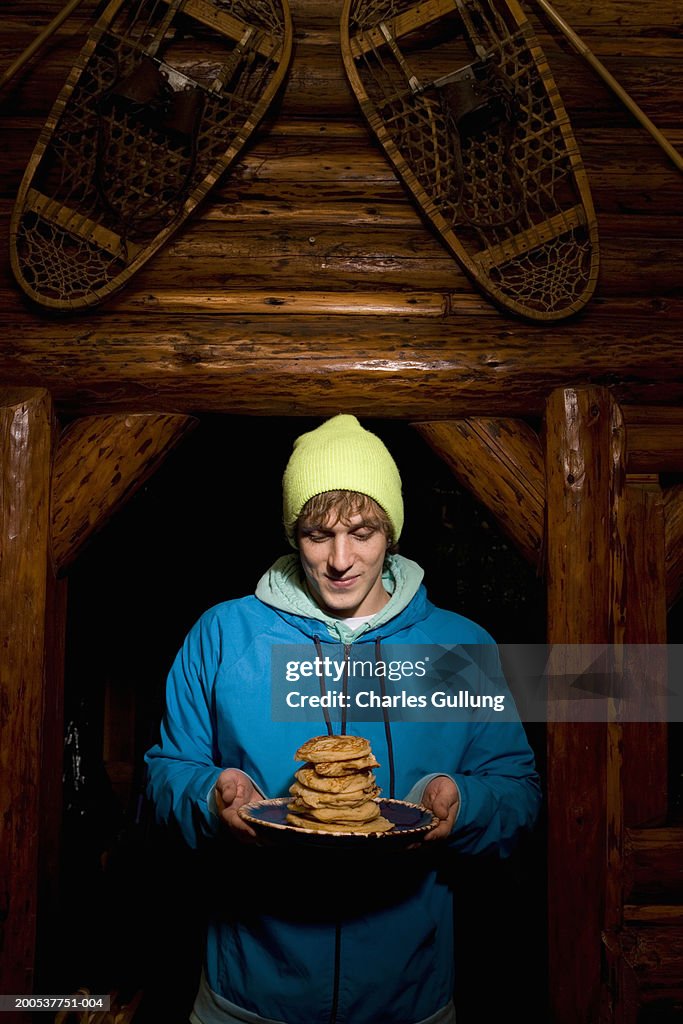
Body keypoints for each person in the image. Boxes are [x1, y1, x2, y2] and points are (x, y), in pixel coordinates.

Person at [145, 414, 541, 1024]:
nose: (339, 559)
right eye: (316, 534)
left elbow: (519, 791)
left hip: (411, 997)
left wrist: (465, 802)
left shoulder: (460, 647)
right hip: (247, 994)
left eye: (362, 532)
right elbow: (167, 771)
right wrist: (207, 795)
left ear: (392, 532)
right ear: (291, 534)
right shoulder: (222, 635)